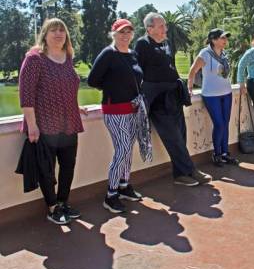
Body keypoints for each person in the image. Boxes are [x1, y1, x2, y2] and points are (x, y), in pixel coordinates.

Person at [19, 18, 87, 225]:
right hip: (45, 125)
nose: (58, 34)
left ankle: (63, 202)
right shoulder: (34, 58)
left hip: (69, 123)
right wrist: (32, 125)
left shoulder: (67, 57)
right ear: (45, 35)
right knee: (46, 169)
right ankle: (52, 207)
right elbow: (26, 95)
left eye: (62, 30)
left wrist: (76, 107)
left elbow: (66, 88)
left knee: (68, 165)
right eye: (53, 30)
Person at [134, 13, 211, 186]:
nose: (165, 29)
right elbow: (136, 72)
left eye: (165, 26)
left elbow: (171, 67)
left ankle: (180, 175)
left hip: (173, 97)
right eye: (161, 26)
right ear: (149, 29)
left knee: (181, 135)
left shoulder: (166, 44)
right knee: (173, 137)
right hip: (157, 100)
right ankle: (190, 170)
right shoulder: (143, 44)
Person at [88, 19, 146, 214]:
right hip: (114, 110)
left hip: (133, 109)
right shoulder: (108, 54)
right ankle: (110, 195)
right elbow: (93, 79)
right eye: (121, 32)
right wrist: (113, 87)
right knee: (122, 150)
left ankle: (124, 185)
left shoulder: (133, 54)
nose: (125, 35)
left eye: (128, 32)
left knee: (129, 149)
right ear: (113, 34)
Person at [188, 29, 239, 167]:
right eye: (222, 38)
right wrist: (189, 88)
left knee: (225, 123)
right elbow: (193, 71)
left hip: (227, 92)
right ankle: (216, 154)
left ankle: (225, 153)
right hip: (211, 95)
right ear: (213, 40)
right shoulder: (205, 54)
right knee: (219, 124)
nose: (225, 41)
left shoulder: (224, 54)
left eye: (225, 38)